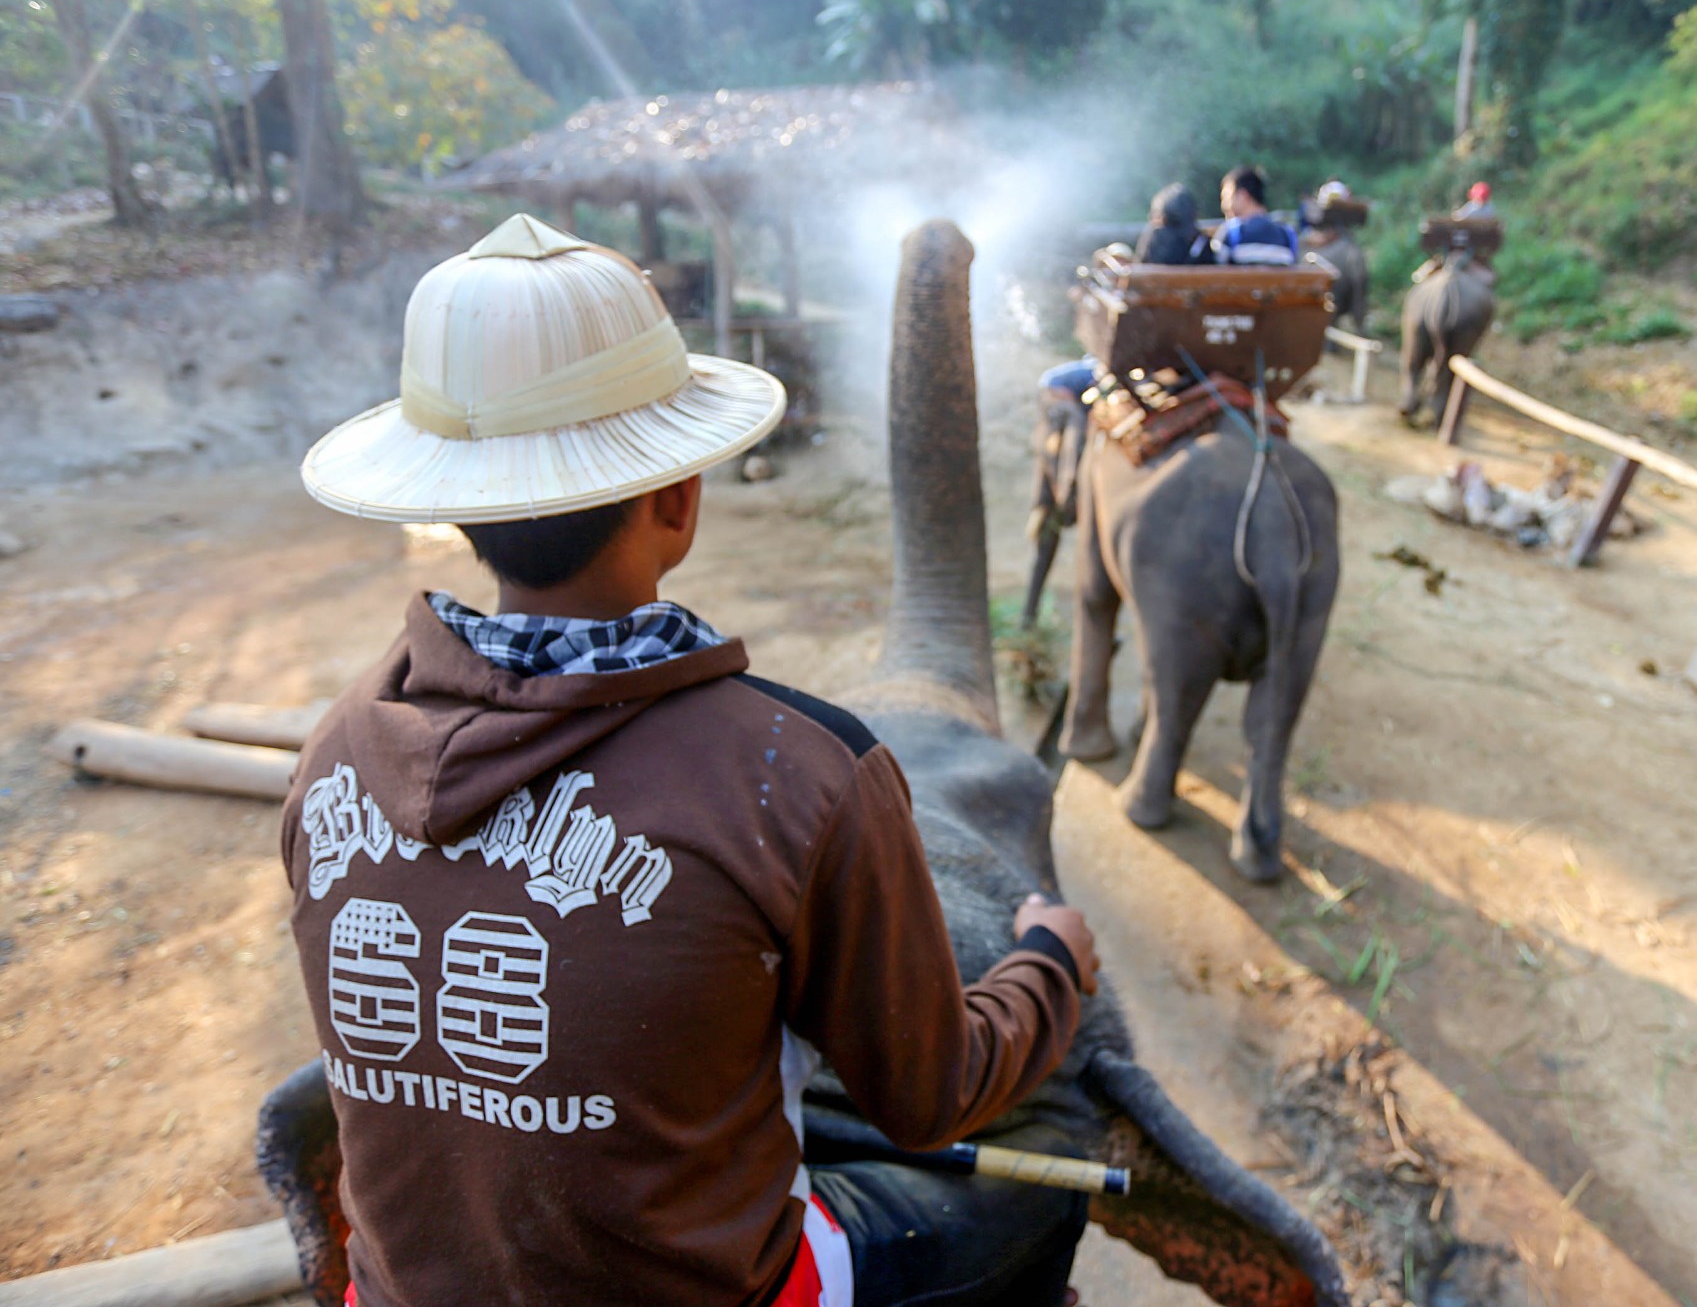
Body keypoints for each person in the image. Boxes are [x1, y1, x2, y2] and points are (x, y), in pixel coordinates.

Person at [286, 212, 1100, 1307]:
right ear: (677, 499)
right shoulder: (795, 772)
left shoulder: (333, 754)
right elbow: (929, 1095)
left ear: (458, 510)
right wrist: (1051, 965)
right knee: (1042, 1184)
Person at [1207, 164, 1298, 266]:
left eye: (1227, 197)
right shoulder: (1287, 234)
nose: (1224, 205)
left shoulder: (1231, 232)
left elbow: (1216, 274)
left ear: (1242, 195)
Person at [1135, 182, 1205, 265]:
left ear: (1161, 217)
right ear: (1195, 215)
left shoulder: (1153, 239)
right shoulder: (1202, 243)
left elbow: (1140, 266)